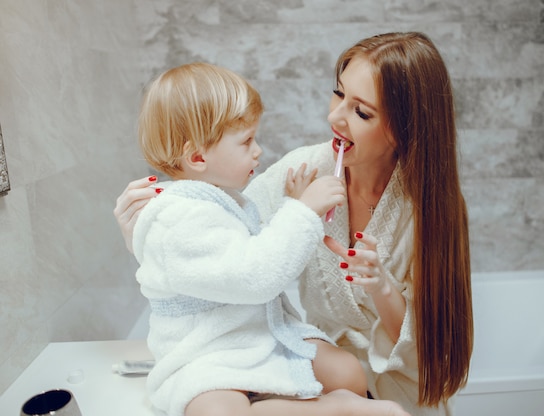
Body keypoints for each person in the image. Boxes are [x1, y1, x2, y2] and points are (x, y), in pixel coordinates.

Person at [115, 32, 472, 415]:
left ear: (404, 128)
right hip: (301, 369)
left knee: (349, 376)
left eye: (361, 112)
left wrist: (383, 287)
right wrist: (139, 239)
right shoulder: (306, 170)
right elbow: (224, 249)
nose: (334, 118)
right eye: (338, 94)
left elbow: (434, 351)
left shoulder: (428, 210)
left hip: (390, 381)